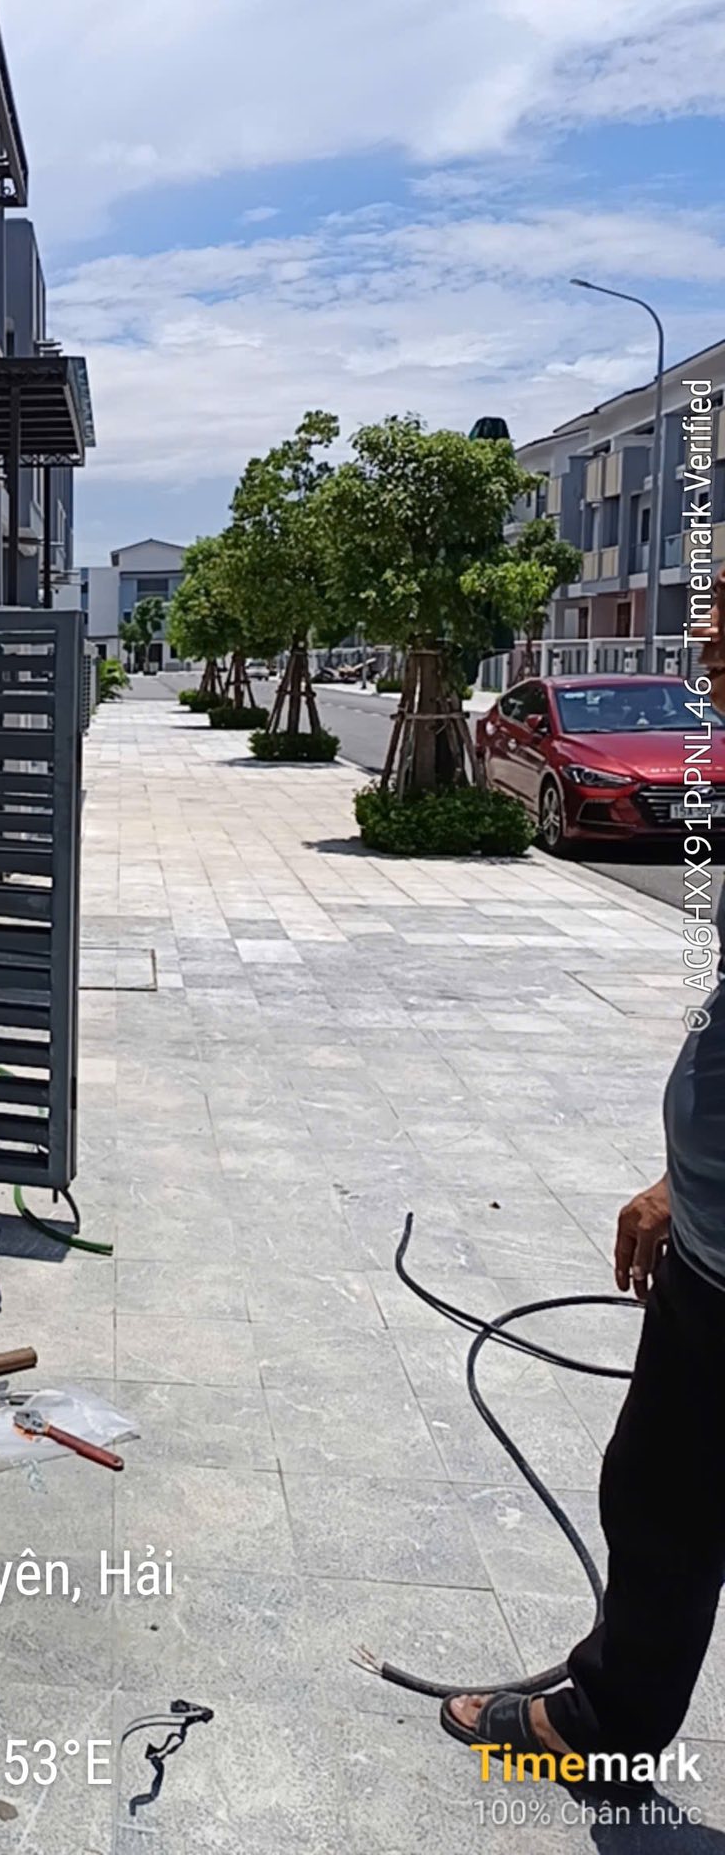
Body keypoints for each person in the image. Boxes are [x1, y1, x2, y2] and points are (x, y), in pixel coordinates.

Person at [442, 568, 725, 1765]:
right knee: (659, 1486)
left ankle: (607, 1713)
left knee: (665, 1489)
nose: (706, 663)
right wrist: (681, 1181)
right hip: (707, 1243)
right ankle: (617, 1698)